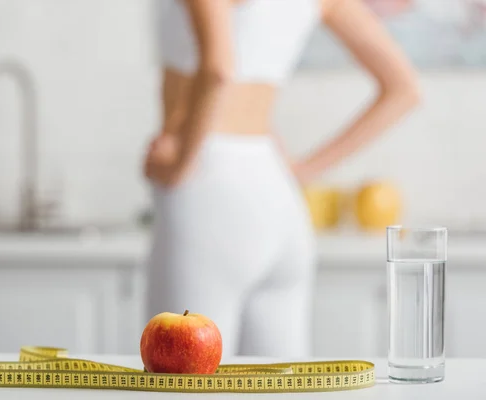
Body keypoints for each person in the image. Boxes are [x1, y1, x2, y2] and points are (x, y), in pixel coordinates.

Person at [143, 0, 420, 359]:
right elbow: (405, 89)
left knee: (179, 379)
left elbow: (219, 69)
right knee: (282, 383)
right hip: (277, 193)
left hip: (208, 196)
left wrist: (182, 160)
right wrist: (303, 171)